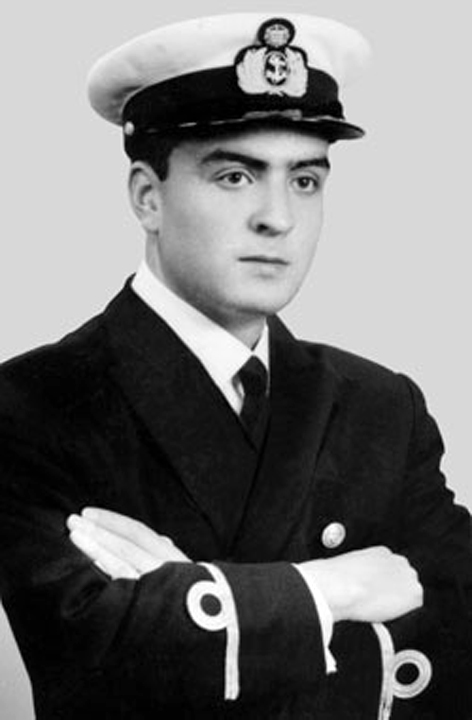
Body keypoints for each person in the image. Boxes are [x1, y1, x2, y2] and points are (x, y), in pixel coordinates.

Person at [0, 12, 471, 720]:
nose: (278, 217)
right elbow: (98, 664)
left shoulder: (382, 406)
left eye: (305, 180)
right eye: (235, 175)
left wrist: (197, 600)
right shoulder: (33, 405)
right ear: (147, 197)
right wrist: (330, 591)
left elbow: (459, 646)